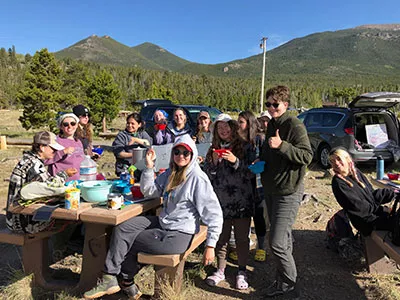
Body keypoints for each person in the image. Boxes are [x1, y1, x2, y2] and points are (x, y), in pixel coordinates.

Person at [83, 135, 223, 299]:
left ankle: (125, 279)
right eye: (177, 152)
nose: (181, 156)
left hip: (179, 234)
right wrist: (149, 168)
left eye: (186, 153)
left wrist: (211, 246)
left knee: (134, 240)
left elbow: (214, 214)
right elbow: (150, 191)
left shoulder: (198, 179)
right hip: (164, 223)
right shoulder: (172, 172)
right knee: (123, 228)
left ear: (192, 155)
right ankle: (109, 277)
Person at [259, 85, 313, 297]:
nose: (272, 108)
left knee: (277, 243)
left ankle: (291, 285)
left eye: (276, 104)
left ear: (286, 105)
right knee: (284, 240)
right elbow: (271, 154)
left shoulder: (294, 124)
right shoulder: (272, 124)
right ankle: (281, 282)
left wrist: (282, 145)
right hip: (271, 189)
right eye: (268, 104)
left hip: (288, 191)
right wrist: (261, 161)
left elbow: (307, 156)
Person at [203, 113, 256, 290]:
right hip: (220, 202)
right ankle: (220, 270)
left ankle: (242, 271)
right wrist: (214, 164)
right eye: (220, 127)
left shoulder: (246, 146)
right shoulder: (212, 149)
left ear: (233, 127)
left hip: (242, 200)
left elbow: (251, 173)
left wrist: (235, 161)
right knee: (221, 238)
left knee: (242, 239)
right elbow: (207, 176)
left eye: (227, 126)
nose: (224, 130)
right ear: (216, 131)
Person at [6, 131, 76, 233]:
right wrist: (64, 174)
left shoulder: (27, 160)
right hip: (23, 222)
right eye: (52, 148)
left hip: (12, 218)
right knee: (69, 220)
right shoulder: (35, 165)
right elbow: (50, 187)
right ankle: (61, 248)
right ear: (42, 147)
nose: (55, 151)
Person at [329, 148, 396, 236]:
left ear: (347, 159)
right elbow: (358, 207)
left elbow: (372, 195)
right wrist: (381, 209)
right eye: (333, 161)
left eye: (338, 159)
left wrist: (393, 193)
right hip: (364, 220)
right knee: (396, 224)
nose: (336, 163)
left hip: (373, 212)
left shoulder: (356, 173)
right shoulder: (338, 182)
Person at [237, 110, 268, 262]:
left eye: (241, 122)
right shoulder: (238, 141)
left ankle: (261, 247)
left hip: (258, 184)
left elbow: (268, 158)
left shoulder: (259, 139)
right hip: (243, 184)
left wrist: (260, 161)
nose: (238, 125)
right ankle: (242, 246)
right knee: (243, 217)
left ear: (249, 124)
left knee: (259, 216)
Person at [46, 113, 85, 181]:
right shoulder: (55, 141)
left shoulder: (78, 142)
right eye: (66, 124)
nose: (70, 126)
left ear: (76, 125)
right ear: (61, 127)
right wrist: (63, 152)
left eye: (73, 123)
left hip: (78, 182)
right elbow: (45, 160)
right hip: (60, 182)